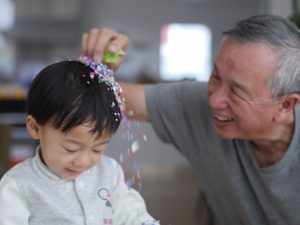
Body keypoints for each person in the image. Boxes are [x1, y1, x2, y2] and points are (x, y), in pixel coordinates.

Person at [81, 15, 300, 225]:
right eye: (215, 76)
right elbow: (100, 93)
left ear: (286, 105)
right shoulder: (198, 104)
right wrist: (96, 64)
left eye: (237, 91)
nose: (214, 101)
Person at [0, 55, 159, 225]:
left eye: (97, 149)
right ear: (35, 128)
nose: (83, 161)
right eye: (71, 149)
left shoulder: (109, 172)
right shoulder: (18, 185)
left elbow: (130, 213)